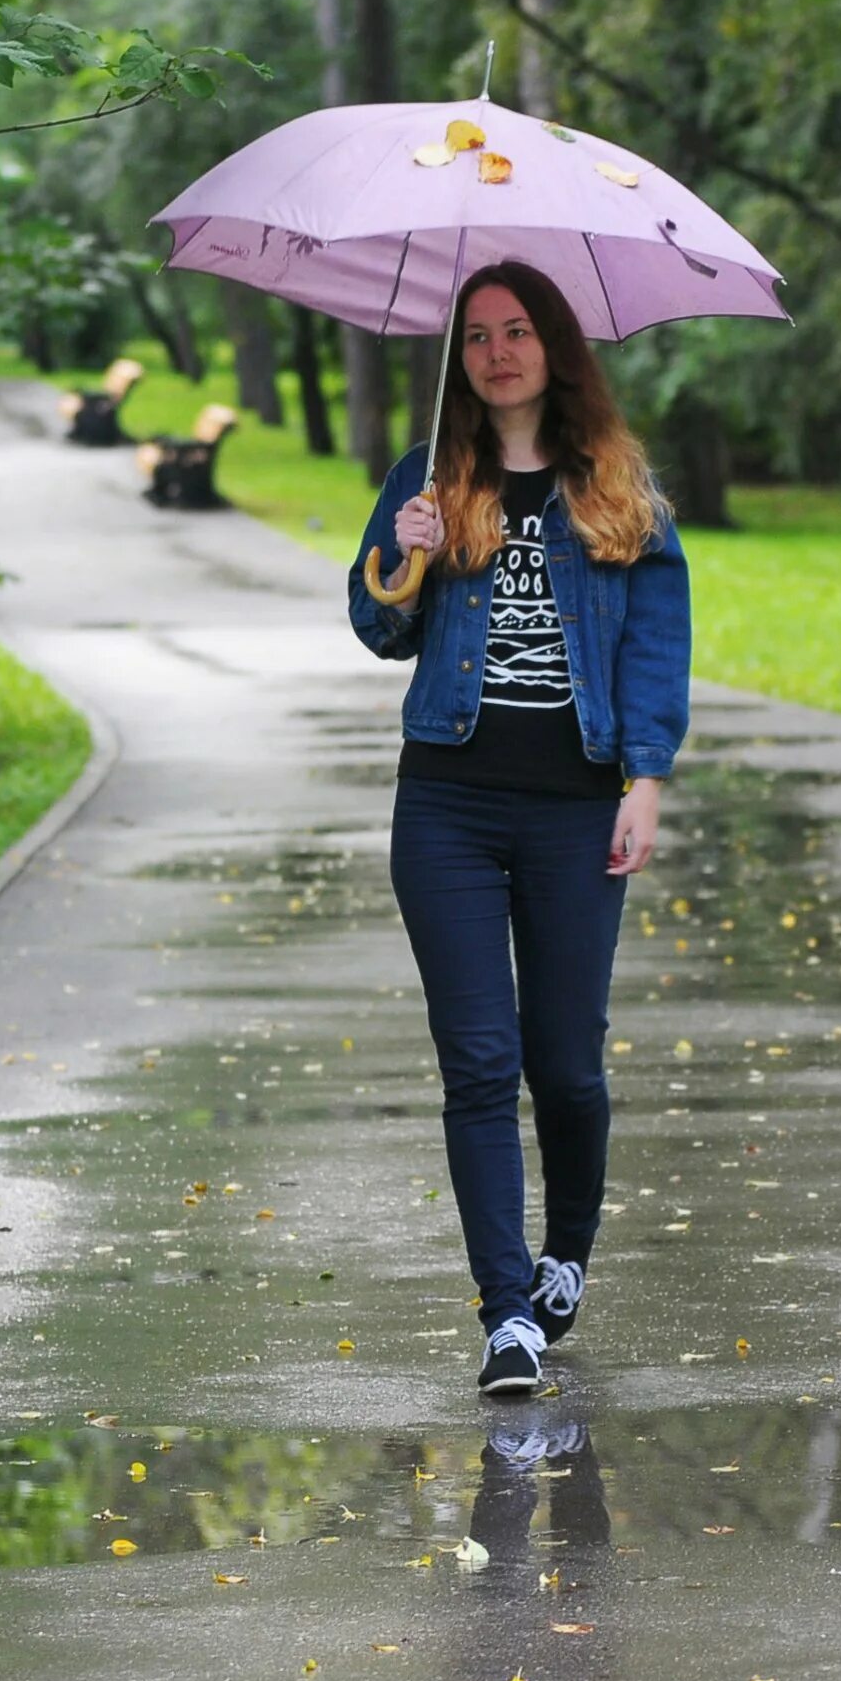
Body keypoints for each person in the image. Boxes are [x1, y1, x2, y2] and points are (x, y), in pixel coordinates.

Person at [345, 261, 691, 1397]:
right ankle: (505, 1315)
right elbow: (376, 627)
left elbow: (654, 640)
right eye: (479, 334)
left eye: (518, 331)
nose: (497, 351)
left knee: (565, 1065)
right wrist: (407, 554)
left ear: (554, 347)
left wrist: (645, 779)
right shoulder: (431, 475)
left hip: (574, 809)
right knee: (481, 1063)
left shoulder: (617, 485)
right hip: (446, 799)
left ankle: (567, 1253)